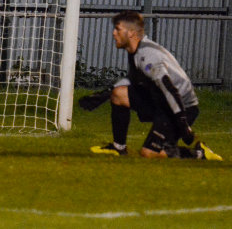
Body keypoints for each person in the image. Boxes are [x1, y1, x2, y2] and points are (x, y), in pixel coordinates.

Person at [90, 11, 222, 160]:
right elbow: (133, 79)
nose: (114, 33)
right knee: (119, 94)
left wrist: (183, 124)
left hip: (180, 108)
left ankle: (200, 153)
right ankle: (118, 148)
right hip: (161, 101)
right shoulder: (136, 51)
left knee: (149, 153)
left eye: (118, 29)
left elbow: (169, 89)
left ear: (131, 33)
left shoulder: (148, 56)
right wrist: (104, 94)